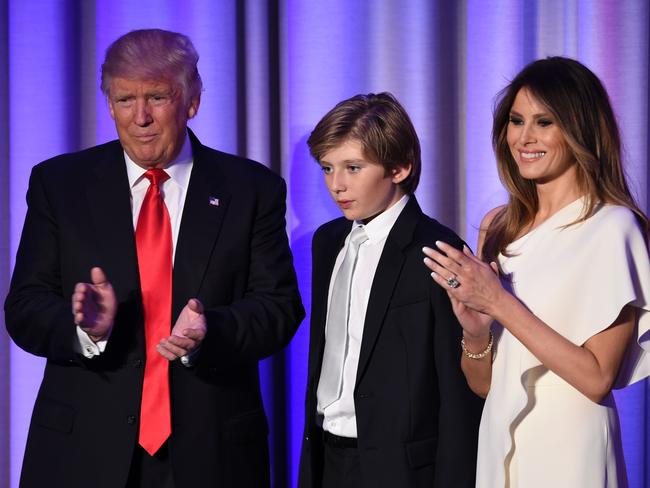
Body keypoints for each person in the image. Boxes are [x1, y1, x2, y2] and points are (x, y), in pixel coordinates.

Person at [4, 28, 304, 488]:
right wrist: (84, 329)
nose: (140, 117)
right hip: (82, 452)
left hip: (210, 454)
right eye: (125, 100)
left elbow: (278, 307)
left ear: (192, 100)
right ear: (109, 105)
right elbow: (24, 307)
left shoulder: (250, 189)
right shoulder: (59, 185)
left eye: (158, 97)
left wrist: (212, 332)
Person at [423, 56, 650, 487]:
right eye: (516, 121)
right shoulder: (498, 225)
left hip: (570, 446)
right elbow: (484, 385)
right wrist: (474, 331)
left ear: (579, 130)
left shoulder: (612, 227)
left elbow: (598, 378)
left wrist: (500, 303)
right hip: (499, 439)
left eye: (544, 122)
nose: (524, 138)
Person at [298, 92, 483, 488]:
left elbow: (456, 393)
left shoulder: (439, 250)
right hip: (328, 457)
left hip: (403, 469)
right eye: (327, 168)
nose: (337, 185)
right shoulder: (327, 241)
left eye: (353, 167)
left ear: (399, 168)